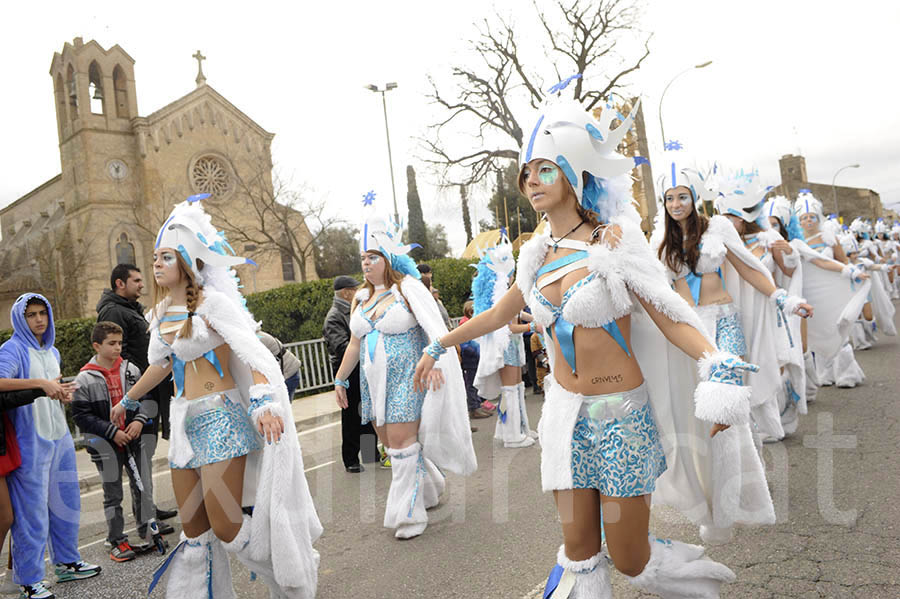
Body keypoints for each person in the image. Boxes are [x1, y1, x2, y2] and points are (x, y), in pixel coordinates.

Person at [415, 88, 744, 596]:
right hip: (565, 416)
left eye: (544, 169)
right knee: (581, 555)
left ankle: (690, 576)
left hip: (621, 417)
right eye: (526, 173)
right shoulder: (536, 254)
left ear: (572, 174)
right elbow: (499, 314)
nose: (530, 181)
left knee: (630, 559)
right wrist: (439, 344)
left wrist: (715, 363)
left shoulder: (614, 240)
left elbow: (669, 313)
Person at [120, 195, 321, 598]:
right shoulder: (158, 316)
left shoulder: (213, 304)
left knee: (226, 523)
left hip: (221, 417)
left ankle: (290, 577)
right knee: (194, 529)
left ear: (189, 263)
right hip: (184, 424)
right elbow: (159, 365)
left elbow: (252, 350)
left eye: (165, 257)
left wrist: (264, 401)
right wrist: (126, 400)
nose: (155, 265)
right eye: (155, 258)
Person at [333, 195, 476, 539]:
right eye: (363, 258)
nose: (366, 264)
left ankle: (408, 515)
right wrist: (340, 382)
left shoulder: (407, 289)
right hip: (371, 383)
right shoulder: (361, 298)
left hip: (408, 378)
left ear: (388, 258)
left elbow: (435, 329)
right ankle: (430, 487)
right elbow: (354, 343)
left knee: (400, 447)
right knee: (392, 443)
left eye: (373, 257)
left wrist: (437, 359)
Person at [0, 294, 101, 599]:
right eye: (31, 314)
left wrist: (59, 392)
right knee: (31, 515)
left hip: (60, 437)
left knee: (66, 502)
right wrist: (40, 384)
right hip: (30, 442)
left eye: (42, 313)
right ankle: (28, 580)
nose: (39, 320)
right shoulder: (12, 348)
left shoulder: (53, 351)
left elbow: (49, 389)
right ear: (21, 318)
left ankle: (67, 562)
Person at [71, 322, 160, 562]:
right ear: (97, 346)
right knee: (113, 494)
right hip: (105, 445)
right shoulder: (85, 378)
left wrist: (140, 420)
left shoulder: (131, 369)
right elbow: (81, 416)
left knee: (142, 487)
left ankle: (147, 531)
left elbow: (147, 397)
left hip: (133, 439)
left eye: (120, 343)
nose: (118, 348)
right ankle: (116, 539)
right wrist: (112, 432)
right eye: (111, 343)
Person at [97, 264, 178, 525]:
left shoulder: (130, 310)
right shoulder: (113, 311)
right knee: (140, 453)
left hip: (148, 391)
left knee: (146, 452)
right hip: (137, 394)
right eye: (136, 280)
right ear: (120, 284)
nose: (142, 284)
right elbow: (114, 356)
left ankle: (148, 508)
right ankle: (145, 516)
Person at [792, 191, 871, 389]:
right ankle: (824, 374)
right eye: (804, 218)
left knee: (835, 329)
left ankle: (847, 374)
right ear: (798, 221)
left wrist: (852, 274)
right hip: (809, 292)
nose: (808, 221)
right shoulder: (796, 242)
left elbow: (841, 261)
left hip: (831, 290)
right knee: (817, 332)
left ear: (818, 218)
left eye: (812, 217)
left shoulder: (829, 238)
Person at [470, 233, 537, 448]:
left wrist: (533, 318)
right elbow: (505, 326)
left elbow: (517, 312)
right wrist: (533, 326)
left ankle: (518, 428)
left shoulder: (505, 293)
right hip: (506, 345)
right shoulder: (498, 296)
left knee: (517, 387)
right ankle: (511, 435)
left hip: (514, 345)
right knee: (509, 390)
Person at [324, 275, 377, 472]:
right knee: (351, 416)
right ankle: (351, 460)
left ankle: (371, 453)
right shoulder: (335, 317)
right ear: (346, 292)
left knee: (366, 410)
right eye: (355, 289)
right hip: (348, 373)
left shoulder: (354, 311)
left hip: (361, 369)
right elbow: (341, 347)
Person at [459, 301, 492, 420]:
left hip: (476, 357)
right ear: (470, 312)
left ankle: (478, 405)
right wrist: (476, 352)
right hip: (470, 359)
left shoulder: (472, 322)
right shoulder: (465, 324)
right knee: (471, 384)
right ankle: (474, 408)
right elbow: (464, 344)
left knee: (476, 383)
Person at [257, 331, 302, 401]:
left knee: (283, 407)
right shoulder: (259, 334)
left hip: (288, 373)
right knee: (284, 406)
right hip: (291, 370)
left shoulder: (256, 338)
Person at [417, 264, 452, 328]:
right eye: (429, 272)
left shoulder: (434, 296)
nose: (431, 275)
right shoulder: (421, 297)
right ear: (422, 274)